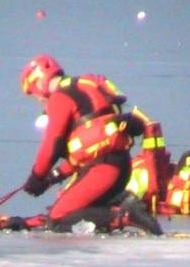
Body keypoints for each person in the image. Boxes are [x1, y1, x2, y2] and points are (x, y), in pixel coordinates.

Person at [19, 54, 164, 235]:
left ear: (39, 83)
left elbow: (52, 146)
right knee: (79, 210)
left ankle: (125, 215)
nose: (39, 99)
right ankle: (120, 204)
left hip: (102, 170)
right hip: (119, 166)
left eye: (33, 93)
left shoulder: (60, 97)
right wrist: (50, 180)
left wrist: (36, 176)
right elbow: (87, 149)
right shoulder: (86, 88)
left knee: (57, 219)